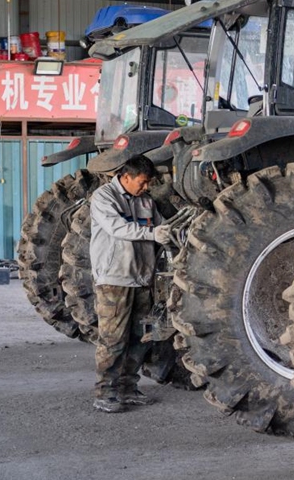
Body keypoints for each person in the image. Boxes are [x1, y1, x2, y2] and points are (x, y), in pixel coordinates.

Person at [88, 155, 173, 413]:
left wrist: (170, 231)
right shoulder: (103, 198)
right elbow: (118, 229)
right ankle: (105, 392)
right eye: (142, 181)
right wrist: (152, 233)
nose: (146, 187)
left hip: (141, 278)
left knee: (139, 338)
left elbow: (161, 227)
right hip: (114, 279)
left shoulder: (145, 201)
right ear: (126, 177)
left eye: (148, 182)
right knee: (113, 339)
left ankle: (128, 387)